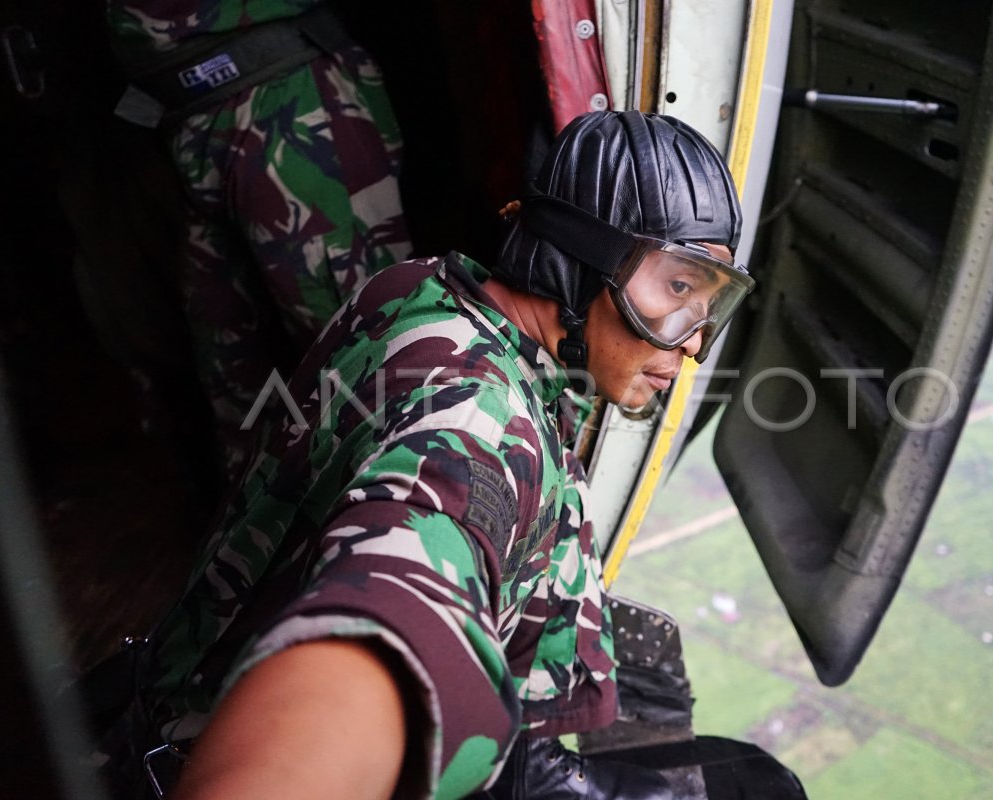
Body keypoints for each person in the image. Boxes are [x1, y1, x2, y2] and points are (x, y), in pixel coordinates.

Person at [104, 109, 752, 799]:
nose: (691, 341)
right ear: (581, 257)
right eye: (678, 287)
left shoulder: (427, 291)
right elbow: (397, 603)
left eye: (709, 303)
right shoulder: (481, 424)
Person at [107, 0, 413, 478]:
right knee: (238, 384)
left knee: (367, 366)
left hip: (286, 99)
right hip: (185, 119)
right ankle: (284, 545)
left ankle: (413, 536)